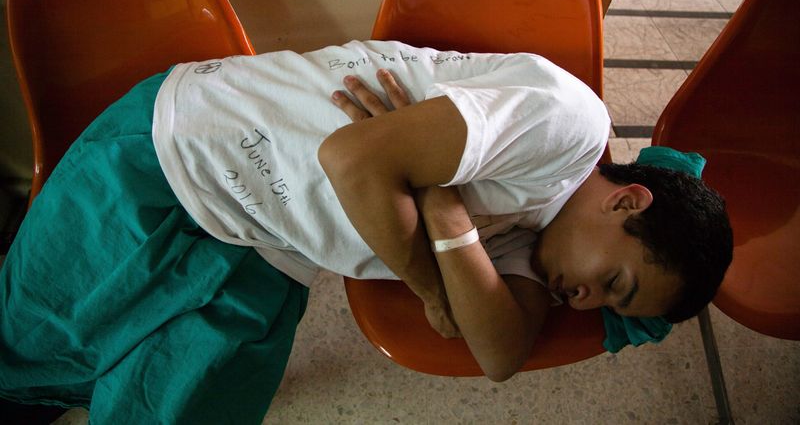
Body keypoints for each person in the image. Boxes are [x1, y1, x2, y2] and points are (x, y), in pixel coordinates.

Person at [0, 40, 733, 423]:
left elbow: (500, 351)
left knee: (180, 403)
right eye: (615, 283)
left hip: (269, 246)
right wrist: (429, 283)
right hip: (186, 149)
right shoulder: (567, 128)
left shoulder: (538, 246)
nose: (584, 299)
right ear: (628, 202)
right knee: (32, 334)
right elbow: (349, 156)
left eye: (606, 306)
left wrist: (442, 204)